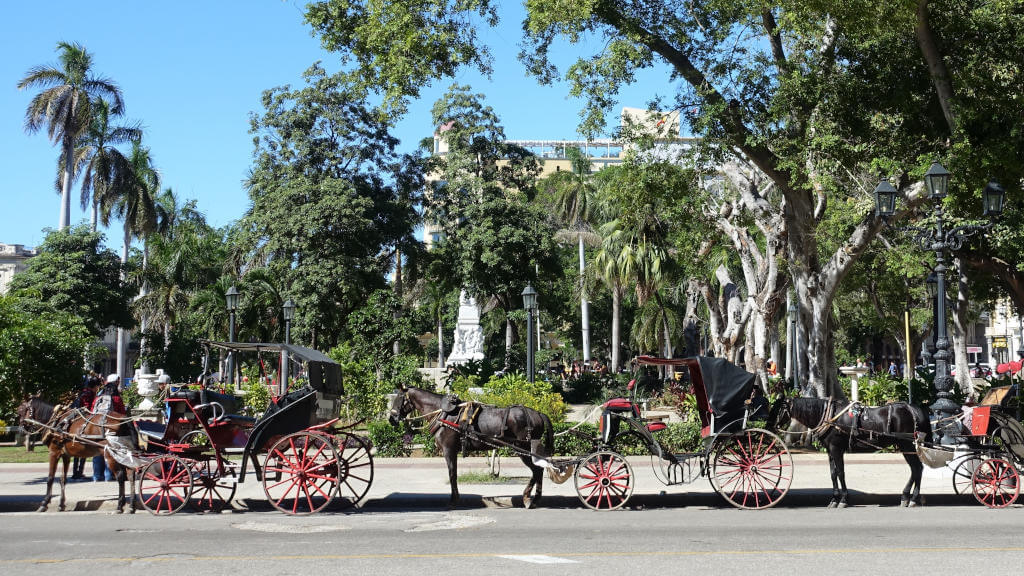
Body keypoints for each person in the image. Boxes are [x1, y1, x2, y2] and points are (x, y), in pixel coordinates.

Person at [91, 374, 126, 482]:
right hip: (111, 428)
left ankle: (96, 476)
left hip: (96, 426)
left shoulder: (99, 397)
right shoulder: (116, 398)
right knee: (110, 451)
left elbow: (92, 410)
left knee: (97, 451)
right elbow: (122, 414)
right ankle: (108, 476)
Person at [70, 376, 101, 480]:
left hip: (78, 418)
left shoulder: (84, 391)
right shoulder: (89, 393)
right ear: (95, 386)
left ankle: (76, 471)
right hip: (84, 420)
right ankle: (79, 471)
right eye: (98, 386)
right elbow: (87, 407)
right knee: (84, 446)